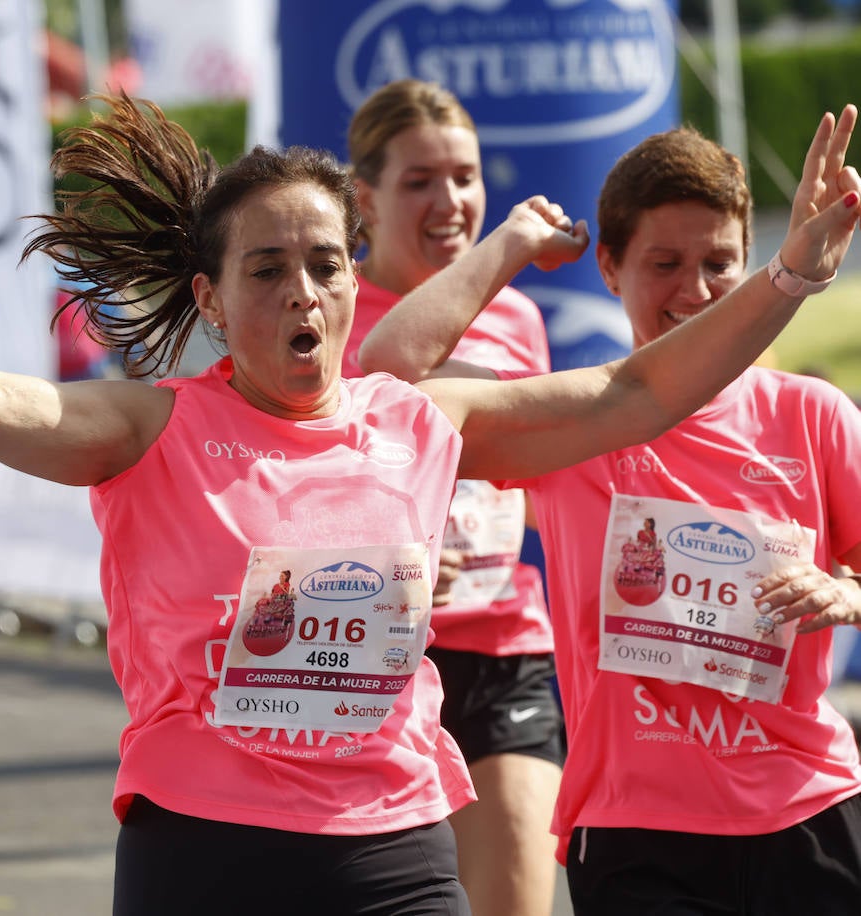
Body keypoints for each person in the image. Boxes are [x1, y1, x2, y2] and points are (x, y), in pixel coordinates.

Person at [0, 94, 858, 915]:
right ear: (212, 299)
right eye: (268, 271)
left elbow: (633, 392)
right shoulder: (152, 426)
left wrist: (789, 277)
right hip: (207, 839)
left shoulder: (420, 419)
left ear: (354, 285)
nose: (304, 292)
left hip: (390, 839)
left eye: (325, 264)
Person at [359, 114, 861, 914]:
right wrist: (514, 240)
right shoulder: (579, 421)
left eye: (719, 264)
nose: (695, 290)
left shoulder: (813, 415)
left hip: (807, 810)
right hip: (637, 831)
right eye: (665, 264)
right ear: (609, 267)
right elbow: (389, 371)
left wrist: (846, 595)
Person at [343, 79, 563, 916]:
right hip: (378, 657)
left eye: (465, 176)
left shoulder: (519, 319)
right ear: (363, 197)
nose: (451, 201)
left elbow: (535, 481)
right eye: (420, 181)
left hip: (508, 646)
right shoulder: (333, 314)